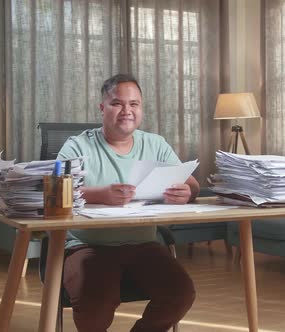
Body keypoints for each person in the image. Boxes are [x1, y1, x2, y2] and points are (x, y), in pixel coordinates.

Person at [57, 73, 200, 332]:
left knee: (180, 292)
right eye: (117, 103)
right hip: (88, 246)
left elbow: (192, 183)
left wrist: (187, 192)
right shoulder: (77, 145)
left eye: (134, 104)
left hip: (142, 244)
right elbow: (56, 191)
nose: (127, 111)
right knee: (96, 302)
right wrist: (100, 194)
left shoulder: (155, 144)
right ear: (102, 108)